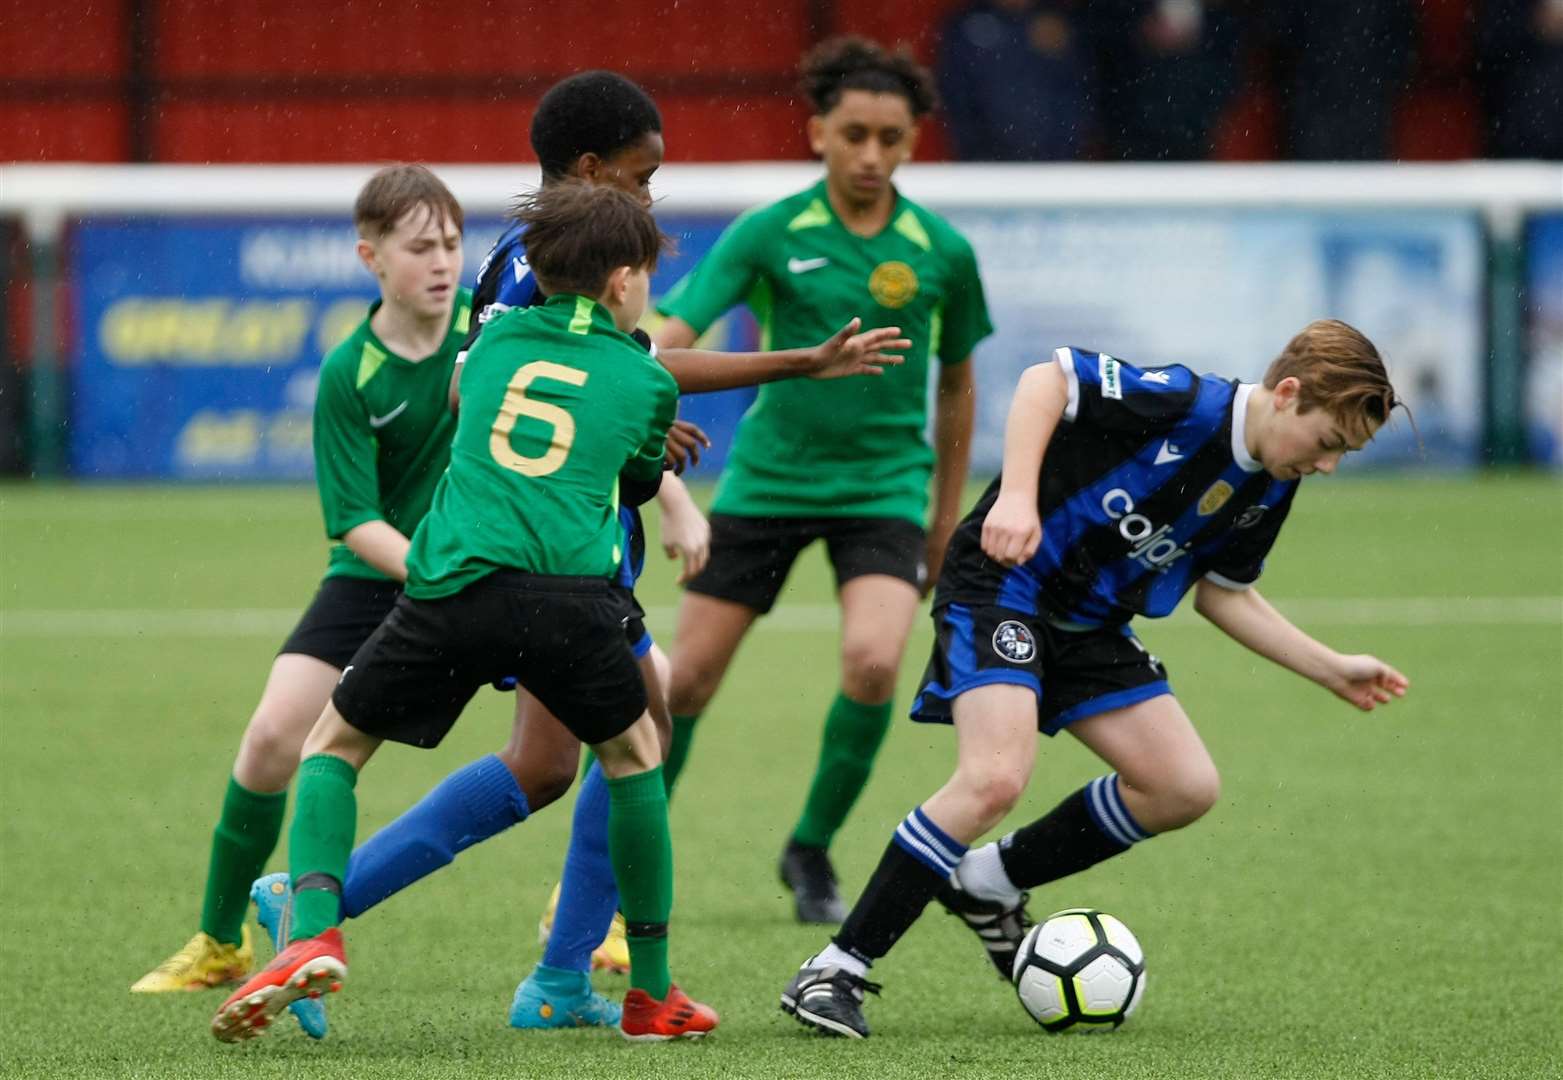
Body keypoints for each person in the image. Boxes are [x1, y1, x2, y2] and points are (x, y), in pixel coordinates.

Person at [247, 69, 911, 1035]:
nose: (650, 200)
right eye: (643, 178)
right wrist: (724, 408)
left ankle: (357, 914)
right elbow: (620, 367)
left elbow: (594, 369)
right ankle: (533, 964)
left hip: (522, 546)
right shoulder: (558, 254)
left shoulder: (544, 250)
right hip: (557, 552)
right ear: (594, 172)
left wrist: (657, 442)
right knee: (637, 732)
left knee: (550, 763)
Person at [782, 320, 1412, 1038]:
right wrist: (1016, 496)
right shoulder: (1185, 402)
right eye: (1328, 443)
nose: (1327, 465)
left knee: (1182, 786)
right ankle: (835, 969)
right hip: (1003, 586)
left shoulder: (1269, 485)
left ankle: (985, 883)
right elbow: (1044, 380)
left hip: (1091, 626)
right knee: (994, 776)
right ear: (1287, 393)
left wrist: (1331, 668)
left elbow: (1223, 592)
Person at [211, 181, 722, 1044]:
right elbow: (637, 476)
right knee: (638, 757)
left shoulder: (481, 348)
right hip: (573, 601)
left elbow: (465, 403)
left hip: (451, 586)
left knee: (331, 748)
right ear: (625, 281)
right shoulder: (644, 378)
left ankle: (315, 926)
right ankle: (652, 992)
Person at [654, 36, 994, 925]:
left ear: (914, 139)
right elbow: (673, 330)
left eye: (890, 136)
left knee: (876, 662)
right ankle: (628, 854)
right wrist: (630, 361)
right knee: (683, 683)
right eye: (854, 135)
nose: (872, 155)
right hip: (767, 485)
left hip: (883, 488)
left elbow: (957, 382)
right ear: (818, 134)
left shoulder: (942, 252)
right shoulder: (770, 232)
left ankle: (809, 847)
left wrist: (943, 511)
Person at [129, 165, 470, 1033]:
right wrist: (433, 568)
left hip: (487, 578)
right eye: (419, 247)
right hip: (381, 578)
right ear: (369, 256)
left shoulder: (489, 340)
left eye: (452, 244)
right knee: (273, 737)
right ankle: (219, 941)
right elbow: (355, 521)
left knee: (608, 726)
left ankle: (593, 935)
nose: (441, 262)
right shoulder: (350, 374)